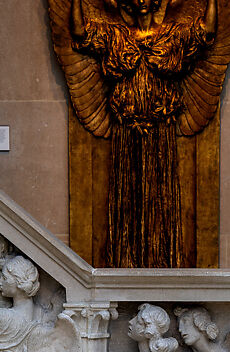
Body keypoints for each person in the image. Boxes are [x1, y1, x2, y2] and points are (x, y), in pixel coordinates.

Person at [69, 0, 217, 269]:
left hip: (161, 131)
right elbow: (79, 32)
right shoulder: (116, 36)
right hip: (125, 131)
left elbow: (206, 32)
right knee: (126, 204)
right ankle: (124, 263)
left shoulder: (171, 35)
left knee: (160, 201)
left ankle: (163, 264)